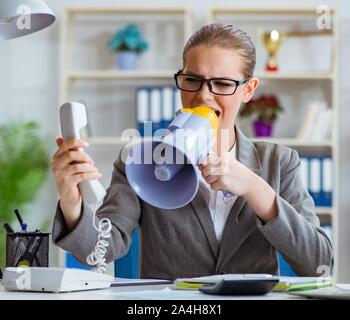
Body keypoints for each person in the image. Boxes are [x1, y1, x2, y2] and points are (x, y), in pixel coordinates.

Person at [51, 23, 333, 279]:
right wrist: (70, 199)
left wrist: (253, 187)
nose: (204, 96)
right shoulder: (141, 160)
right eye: (192, 80)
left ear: (248, 90)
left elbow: (319, 264)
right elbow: (97, 254)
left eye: (222, 84)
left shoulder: (279, 163)